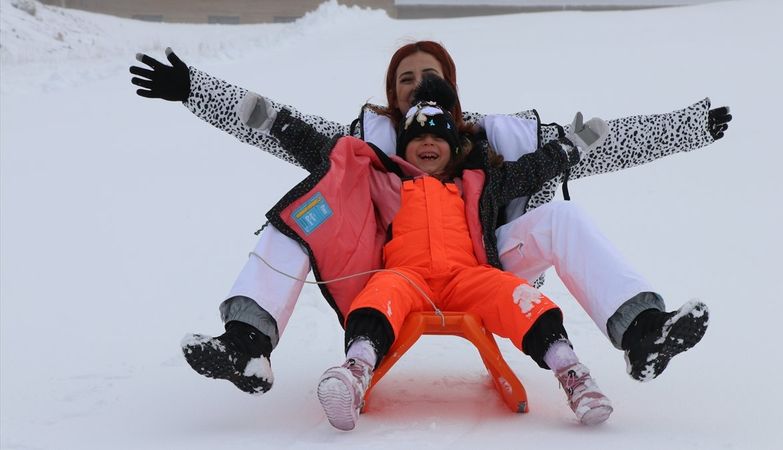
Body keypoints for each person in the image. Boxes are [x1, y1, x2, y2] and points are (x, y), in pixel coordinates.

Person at [129, 41, 730, 392]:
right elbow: (277, 124)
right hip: (384, 274)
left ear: (454, 89)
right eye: (405, 79)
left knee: (564, 220)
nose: (418, 86)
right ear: (392, 95)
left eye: (430, 77)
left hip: (486, 266)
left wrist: (689, 128)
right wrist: (193, 90)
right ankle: (246, 344)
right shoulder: (368, 144)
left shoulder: (498, 142)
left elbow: (598, 143)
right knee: (301, 216)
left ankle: (643, 334)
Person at [312, 75, 615, 429]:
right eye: (418, 138)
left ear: (454, 148)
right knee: (380, 294)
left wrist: (570, 147)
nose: (428, 143)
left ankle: (573, 373)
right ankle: (356, 370)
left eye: (438, 138)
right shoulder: (387, 183)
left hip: (467, 277)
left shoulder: (475, 184)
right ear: (403, 149)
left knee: (518, 296)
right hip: (407, 277)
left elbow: (530, 172)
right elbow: (329, 157)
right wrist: (276, 123)